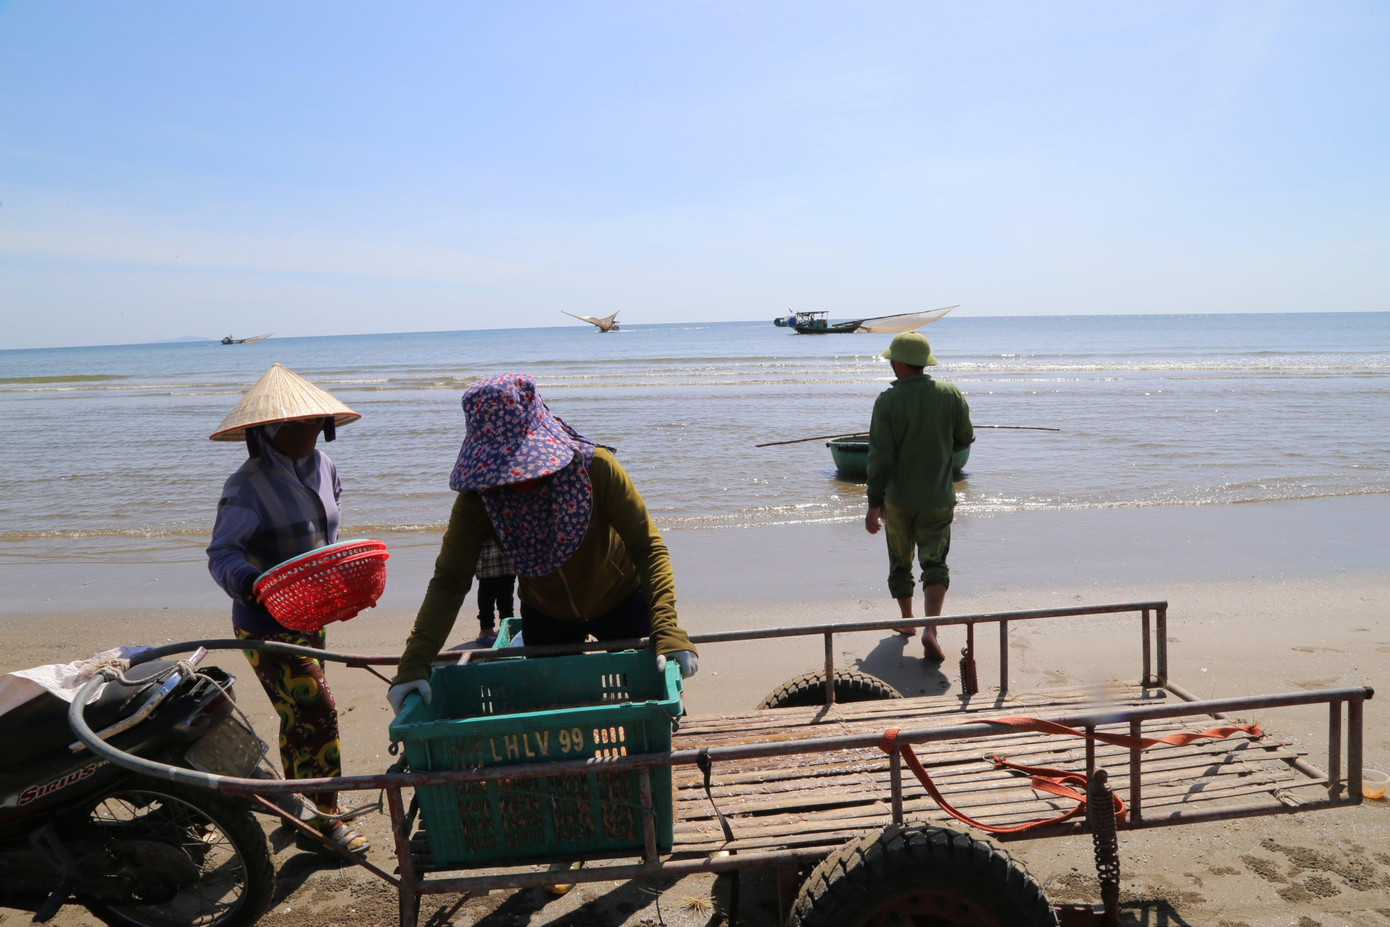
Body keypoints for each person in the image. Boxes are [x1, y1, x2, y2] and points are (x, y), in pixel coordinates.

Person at [388, 373, 698, 715]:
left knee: (656, 704)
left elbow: (648, 547)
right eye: (502, 468)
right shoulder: (478, 501)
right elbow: (449, 582)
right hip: (546, 613)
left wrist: (666, 628)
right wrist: (415, 661)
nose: (515, 477)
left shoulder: (597, 469)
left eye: (521, 462)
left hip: (621, 598)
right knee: (554, 711)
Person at [206, 363, 370, 856]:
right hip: (263, 622)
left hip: (310, 614)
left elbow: (329, 533)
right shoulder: (246, 485)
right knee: (318, 710)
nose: (307, 431)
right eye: (294, 424)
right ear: (265, 431)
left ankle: (294, 807)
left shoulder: (326, 467)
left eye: (313, 422)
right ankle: (326, 821)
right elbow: (222, 553)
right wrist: (251, 582)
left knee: (296, 714)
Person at [864, 332, 974, 661]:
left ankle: (909, 622)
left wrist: (873, 502)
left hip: (898, 502)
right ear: (924, 363)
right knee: (935, 563)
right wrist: (942, 451)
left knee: (901, 562)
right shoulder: (950, 394)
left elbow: (879, 457)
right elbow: (965, 437)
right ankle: (931, 628)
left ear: (899, 363)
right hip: (938, 497)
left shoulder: (887, 401)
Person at [474, 538, 516, 645]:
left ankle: (506, 628)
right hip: (494, 556)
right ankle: (487, 629)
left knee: (504, 597)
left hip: (505, 557)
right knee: (488, 595)